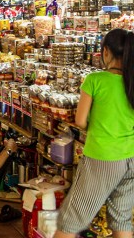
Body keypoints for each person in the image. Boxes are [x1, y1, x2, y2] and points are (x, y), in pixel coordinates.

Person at [54, 29, 134, 238]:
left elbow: (80, 121)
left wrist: (96, 122)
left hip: (103, 158)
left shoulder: (95, 80)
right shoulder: (131, 81)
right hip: (130, 157)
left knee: (71, 220)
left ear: (106, 52)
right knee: (122, 220)